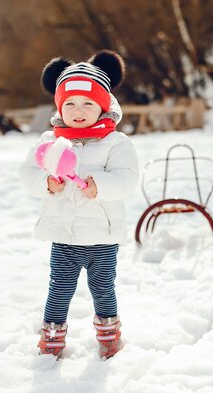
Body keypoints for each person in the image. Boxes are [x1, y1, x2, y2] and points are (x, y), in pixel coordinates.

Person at [18, 50, 139, 360]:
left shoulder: (116, 143)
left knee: (103, 288)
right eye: (69, 103)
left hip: (102, 237)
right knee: (58, 289)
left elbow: (127, 180)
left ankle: (109, 336)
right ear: (59, 107)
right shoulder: (51, 142)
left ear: (103, 105)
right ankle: (52, 338)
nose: (79, 110)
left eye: (88, 103)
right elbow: (28, 172)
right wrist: (47, 182)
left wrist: (100, 185)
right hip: (65, 236)